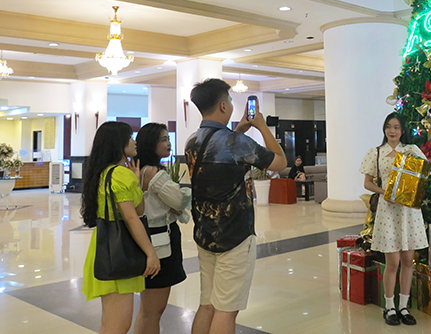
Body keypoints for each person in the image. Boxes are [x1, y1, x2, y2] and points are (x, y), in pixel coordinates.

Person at [185, 79, 287, 334]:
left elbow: (221, 153)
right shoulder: (234, 142)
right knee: (226, 310)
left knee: (207, 304)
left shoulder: (191, 141)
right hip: (234, 236)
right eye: (230, 100)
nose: (231, 104)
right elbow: (280, 163)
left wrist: (238, 130)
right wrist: (262, 127)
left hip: (204, 234)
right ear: (222, 105)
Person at [81, 121, 161, 334]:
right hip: (119, 251)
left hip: (105, 247)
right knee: (118, 325)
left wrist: (135, 182)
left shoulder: (105, 172)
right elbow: (133, 218)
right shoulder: (119, 174)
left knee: (110, 323)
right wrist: (150, 253)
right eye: (130, 137)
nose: (134, 142)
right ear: (118, 143)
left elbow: (139, 209)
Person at [360, 113, 428, 327]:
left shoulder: (411, 150)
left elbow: (424, 173)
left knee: (409, 261)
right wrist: (384, 192)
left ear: (403, 130)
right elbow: (367, 183)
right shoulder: (376, 153)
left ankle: (404, 306)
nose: (392, 131)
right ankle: (389, 306)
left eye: (396, 127)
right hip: (388, 210)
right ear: (384, 129)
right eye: (389, 127)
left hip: (408, 211)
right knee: (393, 262)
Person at [134, 123, 189, 334]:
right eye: (163, 139)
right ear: (151, 144)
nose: (168, 143)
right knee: (153, 310)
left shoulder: (139, 169)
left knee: (147, 310)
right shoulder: (153, 172)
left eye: (168, 138)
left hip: (148, 236)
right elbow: (179, 198)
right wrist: (179, 204)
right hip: (160, 241)